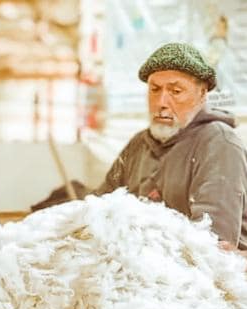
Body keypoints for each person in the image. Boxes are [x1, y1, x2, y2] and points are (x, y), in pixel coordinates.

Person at [96, 42, 247, 251]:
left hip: (212, 276)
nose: (162, 102)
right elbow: (100, 204)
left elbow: (215, 243)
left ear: (202, 94)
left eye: (175, 91)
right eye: (155, 90)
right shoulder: (138, 144)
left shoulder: (219, 144)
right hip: (145, 263)